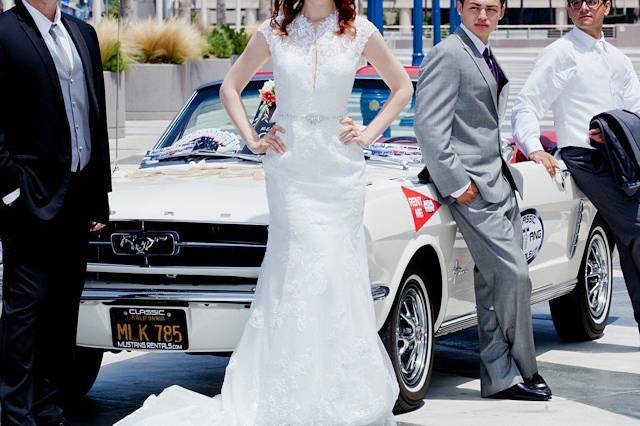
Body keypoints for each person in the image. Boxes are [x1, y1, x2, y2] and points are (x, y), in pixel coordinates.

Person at [116, 0, 413, 424]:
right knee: (295, 271)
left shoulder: (360, 31)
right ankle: (286, 393)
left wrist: (367, 132)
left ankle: (339, 392)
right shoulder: (274, 30)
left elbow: (403, 87)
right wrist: (253, 140)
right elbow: (229, 88)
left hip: (340, 169)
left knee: (335, 274)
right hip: (290, 170)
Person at [415, 0, 552, 401]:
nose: (483, 16)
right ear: (459, 8)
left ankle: (499, 379)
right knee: (515, 276)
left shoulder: (484, 54)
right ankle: (527, 370)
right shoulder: (448, 54)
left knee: (493, 286)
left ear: (503, 12)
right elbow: (428, 127)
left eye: (491, 8)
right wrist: (458, 185)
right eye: (474, 7)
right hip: (472, 189)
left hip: (499, 183)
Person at [0, 0, 112, 425]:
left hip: (78, 199)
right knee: (24, 316)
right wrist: (11, 190)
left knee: (63, 313)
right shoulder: (6, 33)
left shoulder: (83, 34)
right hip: (28, 201)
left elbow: (95, 116)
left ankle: (49, 410)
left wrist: (98, 194)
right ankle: (14, 415)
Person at [511, 0, 640, 337]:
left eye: (592, 1)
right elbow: (526, 103)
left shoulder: (618, 59)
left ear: (608, 6)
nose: (584, 7)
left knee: (629, 242)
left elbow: (637, 110)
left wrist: (616, 129)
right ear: (568, 9)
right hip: (583, 158)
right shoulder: (561, 52)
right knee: (636, 230)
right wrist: (535, 148)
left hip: (621, 159)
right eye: (575, 2)